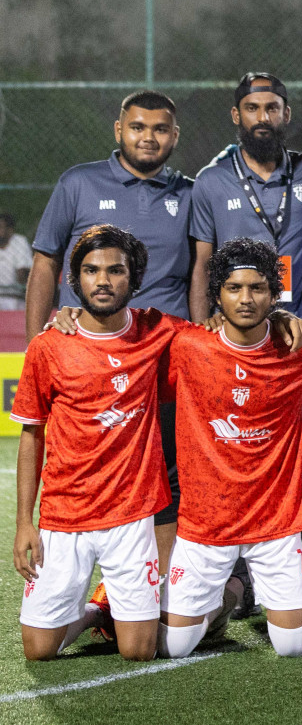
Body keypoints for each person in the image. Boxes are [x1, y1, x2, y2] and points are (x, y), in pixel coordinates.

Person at [27, 90, 195, 579]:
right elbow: (46, 261)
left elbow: (201, 270)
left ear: (174, 137)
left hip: (162, 361)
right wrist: (42, 335)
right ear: (119, 131)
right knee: (88, 469)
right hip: (87, 359)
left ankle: (163, 587)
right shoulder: (79, 182)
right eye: (138, 127)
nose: (149, 137)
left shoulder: (190, 194)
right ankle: (84, 578)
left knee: (168, 477)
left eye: (160, 129)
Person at [160, 238, 302, 658]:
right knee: (173, 647)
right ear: (216, 294)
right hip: (206, 525)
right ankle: (233, 593)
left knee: (292, 648)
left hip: (275, 523)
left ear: (275, 295)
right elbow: (127, 326)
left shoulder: (297, 349)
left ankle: (242, 586)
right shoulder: (188, 346)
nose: (246, 298)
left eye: (258, 288)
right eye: (234, 288)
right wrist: (70, 312)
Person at [11, 227, 172, 661]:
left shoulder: (158, 332)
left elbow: (222, 339)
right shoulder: (49, 346)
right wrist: (25, 522)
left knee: (139, 651)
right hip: (64, 516)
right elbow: (31, 434)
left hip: (131, 515)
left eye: (115, 270)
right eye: (91, 270)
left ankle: (218, 596)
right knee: (39, 651)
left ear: (133, 278)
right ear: (75, 279)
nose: (103, 280)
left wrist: (282, 319)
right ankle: (97, 612)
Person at [0, 213, 32, 310]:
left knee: (12, 304)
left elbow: (21, 273)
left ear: (10, 230)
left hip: (15, 295)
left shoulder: (19, 241)